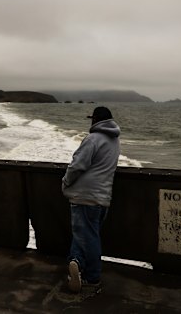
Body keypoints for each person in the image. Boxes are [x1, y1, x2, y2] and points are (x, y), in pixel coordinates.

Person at [61, 106, 121, 293]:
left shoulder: (93, 139)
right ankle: (76, 265)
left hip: (85, 197)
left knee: (88, 236)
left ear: (95, 120)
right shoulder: (115, 141)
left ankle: (92, 277)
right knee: (85, 235)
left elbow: (77, 165)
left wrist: (65, 182)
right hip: (102, 198)